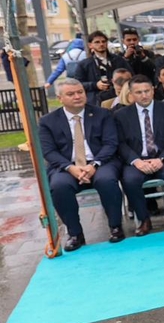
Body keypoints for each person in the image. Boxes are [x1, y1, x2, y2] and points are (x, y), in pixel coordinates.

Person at [39, 78, 126, 250]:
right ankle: (75, 233)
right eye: (71, 94)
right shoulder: (48, 121)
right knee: (59, 186)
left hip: (100, 162)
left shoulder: (103, 114)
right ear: (59, 98)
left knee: (107, 180)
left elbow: (111, 143)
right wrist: (71, 168)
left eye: (80, 92)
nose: (77, 96)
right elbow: (49, 151)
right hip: (66, 165)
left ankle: (116, 227)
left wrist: (93, 165)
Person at [115, 75, 164, 235]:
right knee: (130, 180)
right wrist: (136, 161)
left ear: (153, 90)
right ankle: (144, 219)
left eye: (147, 91)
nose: (144, 95)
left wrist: (162, 159)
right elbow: (120, 144)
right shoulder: (121, 115)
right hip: (137, 160)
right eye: (139, 92)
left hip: (162, 158)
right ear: (131, 94)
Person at [75, 31, 131, 105]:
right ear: (90, 45)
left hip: (118, 98)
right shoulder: (84, 64)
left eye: (103, 41)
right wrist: (95, 85)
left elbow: (131, 76)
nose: (101, 44)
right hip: (95, 101)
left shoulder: (119, 60)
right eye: (97, 42)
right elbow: (77, 84)